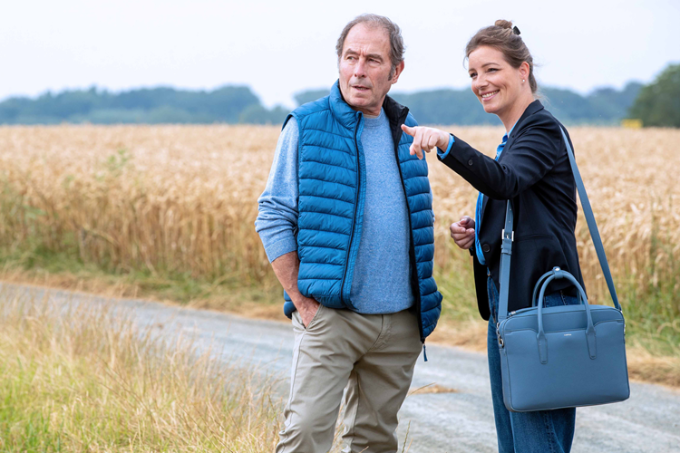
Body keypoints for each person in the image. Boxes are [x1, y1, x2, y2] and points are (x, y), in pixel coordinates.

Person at [255, 14, 442, 453]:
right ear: (339, 62)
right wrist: (301, 300)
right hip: (330, 316)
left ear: (395, 71)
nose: (358, 70)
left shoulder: (408, 134)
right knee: (304, 436)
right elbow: (273, 213)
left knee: (375, 443)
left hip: (399, 323)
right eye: (350, 57)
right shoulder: (307, 125)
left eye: (373, 60)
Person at [401, 20, 583, 453]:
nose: (480, 83)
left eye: (491, 70)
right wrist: (479, 236)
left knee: (537, 443)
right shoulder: (516, 137)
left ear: (523, 71)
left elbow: (505, 181)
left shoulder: (541, 130)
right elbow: (522, 204)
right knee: (516, 445)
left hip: (540, 308)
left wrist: (447, 143)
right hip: (512, 307)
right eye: (473, 74)